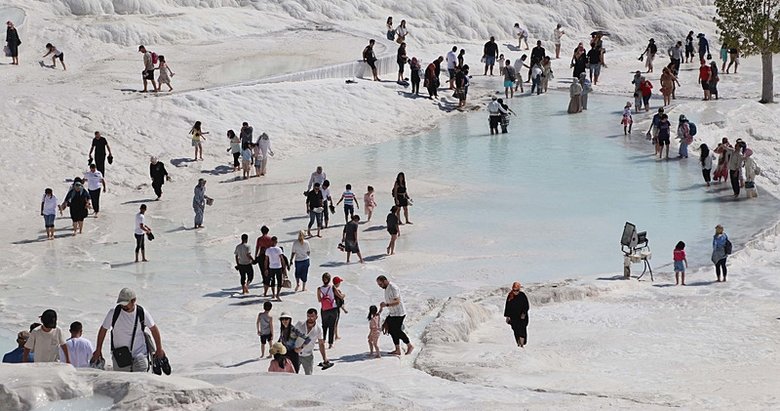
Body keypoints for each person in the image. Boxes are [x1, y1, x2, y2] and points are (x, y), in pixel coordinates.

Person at [91, 288, 166, 372]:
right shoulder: (114, 313)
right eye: (121, 304)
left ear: (133, 300)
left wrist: (159, 349)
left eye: (125, 304)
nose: (123, 306)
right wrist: (98, 349)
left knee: (141, 380)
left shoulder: (141, 312)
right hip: (120, 356)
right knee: (122, 381)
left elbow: (154, 330)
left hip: (140, 354)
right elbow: (103, 330)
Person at [377, 275, 413, 355]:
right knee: (391, 330)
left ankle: (409, 346)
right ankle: (397, 350)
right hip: (392, 313)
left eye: (380, 284)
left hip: (399, 313)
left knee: (397, 331)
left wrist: (386, 305)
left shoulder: (393, 288)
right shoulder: (386, 288)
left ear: (385, 281)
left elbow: (397, 302)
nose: (380, 286)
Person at [293, 308, 331, 374]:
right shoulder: (299, 324)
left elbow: (321, 344)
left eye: (312, 316)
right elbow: (292, 336)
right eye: (308, 316)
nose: (310, 318)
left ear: (316, 317)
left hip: (308, 356)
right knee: (292, 375)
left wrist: (324, 358)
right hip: (295, 355)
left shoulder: (318, 329)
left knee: (309, 377)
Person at [503, 282, 529, 348]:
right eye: (514, 290)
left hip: (522, 317)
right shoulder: (510, 296)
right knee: (516, 330)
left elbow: (526, 305)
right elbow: (507, 306)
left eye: (516, 290)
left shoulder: (522, 295)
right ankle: (518, 344)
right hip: (513, 317)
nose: (515, 292)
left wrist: (524, 313)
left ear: (519, 289)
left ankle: (522, 344)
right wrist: (507, 316)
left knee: (522, 330)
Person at [265, 236, 286, 302]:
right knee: (279, 282)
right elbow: (282, 259)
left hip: (271, 267)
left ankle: (273, 294)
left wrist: (265, 268)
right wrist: (284, 268)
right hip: (278, 267)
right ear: (276, 242)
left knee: (272, 281)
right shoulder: (279, 249)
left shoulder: (268, 250)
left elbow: (266, 260)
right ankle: (277, 295)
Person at [254, 225, 273, 295]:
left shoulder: (259, 239)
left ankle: (265, 280)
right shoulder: (270, 238)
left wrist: (255, 256)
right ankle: (269, 280)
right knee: (269, 268)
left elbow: (257, 248)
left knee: (262, 270)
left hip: (261, 256)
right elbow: (272, 247)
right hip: (268, 255)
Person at [333, 276, 348, 341]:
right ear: (338, 283)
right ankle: (336, 336)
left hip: (331, 308)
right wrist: (343, 295)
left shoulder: (330, 290)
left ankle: (333, 335)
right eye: (339, 282)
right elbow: (340, 301)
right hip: (336, 309)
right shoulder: (337, 291)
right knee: (335, 323)